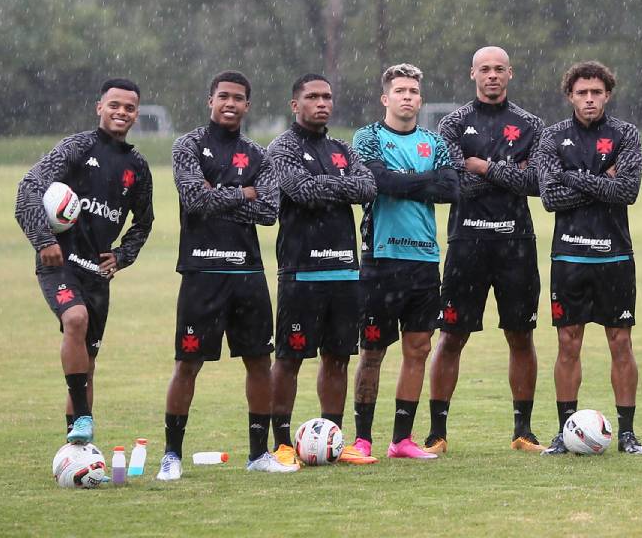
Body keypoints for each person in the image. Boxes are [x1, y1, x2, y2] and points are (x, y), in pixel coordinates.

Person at [157, 71, 291, 479]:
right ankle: (172, 456)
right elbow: (195, 200)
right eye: (223, 97)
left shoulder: (259, 154)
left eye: (238, 98)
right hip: (202, 270)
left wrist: (222, 193)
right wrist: (243, 191)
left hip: (247, 272)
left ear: (248, 105)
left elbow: (269, 211)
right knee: (188, 364)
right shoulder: (188, 145)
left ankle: (257, 454)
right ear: (210, 100)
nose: (230, 104)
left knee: (258, 361)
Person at [16, 77, 155, 447]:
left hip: (97, 274)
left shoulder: (137, 166)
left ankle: (76, 450)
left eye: (128, 107)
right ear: (99, 107)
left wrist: (123, 256)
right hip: (60, 263)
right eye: (114, 105)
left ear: (136, 114)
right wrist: (44, 240)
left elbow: (144, 222)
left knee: (87, 365)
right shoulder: (77, 148)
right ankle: (83, 417)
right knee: (74, 319)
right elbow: (28, 189)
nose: (121, 112)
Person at [427, 46, 545, 452]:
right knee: (452, 336)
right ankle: (437, 432)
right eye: (484, 69)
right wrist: (511, 172)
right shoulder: (453, 123)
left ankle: (523, 431)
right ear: (471, 73)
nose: (492, 76)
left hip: (516, 243)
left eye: (499, 69)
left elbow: (537, 184)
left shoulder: (530, 124)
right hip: (467, 243)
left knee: (521, 336)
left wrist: (484, 166)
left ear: (510, 73)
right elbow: (452, 183)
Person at [534, 61, 642, 456]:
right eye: (581, 93)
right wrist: (603, 179)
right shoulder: (551, 138)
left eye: (596, 92)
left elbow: (628, 191)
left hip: (614, 256)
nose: (589, 99)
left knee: (620, 341)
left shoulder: (626, 134)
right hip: (569, 256)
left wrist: (573, 176)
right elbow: (550, 198)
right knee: (568, 343)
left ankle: (628, 433)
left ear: (607, 95)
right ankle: (564, 432)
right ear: (570, 96)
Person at [267, 73, 379, 466]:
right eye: (313, 97)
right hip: (301, 271)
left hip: (346, 272)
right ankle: (281, 442)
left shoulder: (341, 148)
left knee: (338, 357)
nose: (322, 103)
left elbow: (368, 188)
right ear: (294, 104)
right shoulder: (281, 148)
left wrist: (328, 183)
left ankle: (333, 437)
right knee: (289, 358)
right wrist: (340, 184)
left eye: (327, 96)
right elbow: (301, 191)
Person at [351, 64, 459, 460]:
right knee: (372, 352)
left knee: (418, 348)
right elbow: (378, 182)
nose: (408, 96)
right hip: (381, 259)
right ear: (386, 98)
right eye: (400, 90)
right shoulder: (369, 138)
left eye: (414, 90)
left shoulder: (435, 142)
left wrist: (403, 180)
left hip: (424, 260)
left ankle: (401, 440)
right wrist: (420, 181)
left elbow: (451, 188)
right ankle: (363, 438)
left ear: (421, 98)